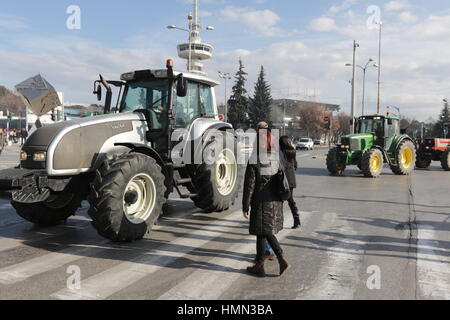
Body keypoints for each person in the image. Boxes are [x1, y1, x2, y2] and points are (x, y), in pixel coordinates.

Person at [243, 124, 290, 277]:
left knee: (264, 231)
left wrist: (245, 205)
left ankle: (280, 258)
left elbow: (249, 184)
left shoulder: (255, 159)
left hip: (261, 202)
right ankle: (260, 264)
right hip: (275, 201)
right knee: (262, 232)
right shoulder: (276, 158)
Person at [280, 136, 301, 229]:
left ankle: (279, 221)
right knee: (290, 200)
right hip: (291, 180)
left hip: (282, 180)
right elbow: (295, 166)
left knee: (279, 201)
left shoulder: (281, 153)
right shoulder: (292, 152)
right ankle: (297, 220)